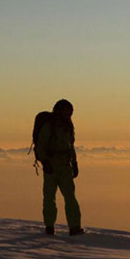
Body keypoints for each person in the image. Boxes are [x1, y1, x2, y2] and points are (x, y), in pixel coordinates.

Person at [36, 99, 83, 236]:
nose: (69, 114)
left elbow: (70, 146)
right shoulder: (49, 126)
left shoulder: (68, 126)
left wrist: (74, 163)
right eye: (67, 111)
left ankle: (74, 227)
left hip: (64, 167)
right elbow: (41, 146)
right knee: (51, 197)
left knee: (69, 197)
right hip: (52, 166)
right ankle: (50, 226)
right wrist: (45, 163)